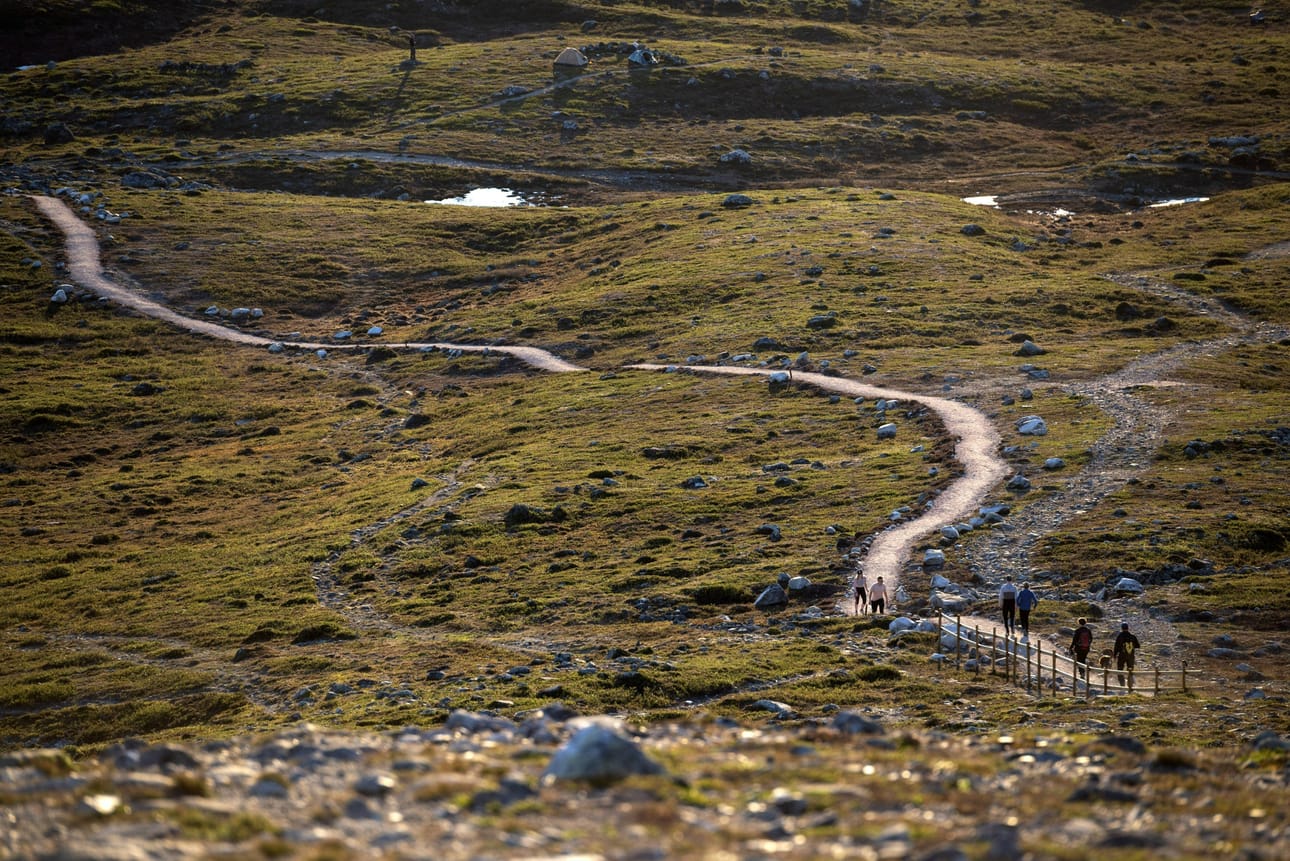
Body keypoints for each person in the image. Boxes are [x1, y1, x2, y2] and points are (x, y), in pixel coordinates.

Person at [1114, 622, 1141, 689]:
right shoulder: (1132, 636)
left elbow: (1116, 647)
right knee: (1130, 671)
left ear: (1122, 628)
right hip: (1130, 656)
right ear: (1128, 628)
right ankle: (1130, 686)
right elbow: (1138, 646)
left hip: (1122, 656)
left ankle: (1122, 685)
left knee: (1120, 670)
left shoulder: (1120, 636)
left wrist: (1114, 655)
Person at [1070, 617, 1093, 682]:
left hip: (1079, 648)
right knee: (1083, 659)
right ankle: (1083, 671)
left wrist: (1071, 647)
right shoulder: (1088, 630)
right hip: (1086, 648)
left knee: (1079, 660)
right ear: (1085, 622)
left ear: (1079, 623)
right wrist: (1088, 645)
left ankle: (1082, 673)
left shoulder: (1078, 630)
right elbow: (1091, 639)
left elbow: (1074, 640)